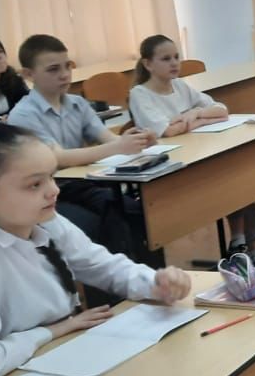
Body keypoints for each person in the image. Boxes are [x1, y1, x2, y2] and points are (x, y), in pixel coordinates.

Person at [0, 122, 192, 376]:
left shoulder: (43, 220)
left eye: (52, 176)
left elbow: (100, 265)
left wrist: (155, 282)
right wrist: (54, 330)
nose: (54, 190)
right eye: (35, 184)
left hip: (59, 362)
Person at [128, 35, 255, 265]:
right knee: (229, 176)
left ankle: (241, 244)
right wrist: (199, 119)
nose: (174, 63)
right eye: (166, 59)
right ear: (148, 64)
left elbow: (221, 110)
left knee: (236, 172)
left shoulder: (179, 85)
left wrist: (194, 114)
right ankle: (244, 248)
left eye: (176, 57)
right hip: (169, 166)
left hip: (194, 154)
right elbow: (168, 131)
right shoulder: (140, 94)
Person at [8, 34, 156, 257]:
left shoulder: (77, 103)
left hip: (84, 183)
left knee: (138, 210)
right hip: (49, 193)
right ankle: (121, 274)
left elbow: (109, 139)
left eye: (67, 66)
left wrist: (139, 140)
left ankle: (145, 269)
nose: (64, 74)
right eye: (53, 69)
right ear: (29, 75)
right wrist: (119, 147)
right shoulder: (23, 114)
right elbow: (57, 159)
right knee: (112, 215)